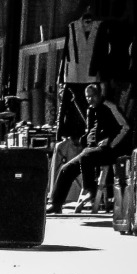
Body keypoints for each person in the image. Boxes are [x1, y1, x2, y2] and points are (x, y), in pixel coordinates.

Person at [48, 83, 130, 214]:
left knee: (87, 157)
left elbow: (125, 127)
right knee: (66, 169)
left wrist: (111, 143)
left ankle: (90, 190)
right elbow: (91, 131)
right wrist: (83, 139)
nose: (90, 99)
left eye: (92, 96)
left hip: (109, 150)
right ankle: (56, 204)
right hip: (92, 150)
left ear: (99, 95)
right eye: (87, 97)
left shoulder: (110, 107)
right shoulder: (90, 110)